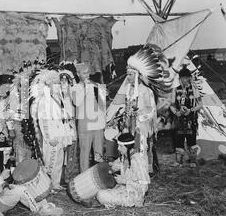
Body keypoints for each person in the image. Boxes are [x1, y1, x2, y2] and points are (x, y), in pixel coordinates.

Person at [119, 45, 172, 175]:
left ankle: (142, 175)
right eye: (128, 75)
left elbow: (151, 110)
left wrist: (139, 115)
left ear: (137, 75)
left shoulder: (146, 91)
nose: (129, 77)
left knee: (141, 149)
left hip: (141, 127)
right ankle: (130, 173)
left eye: (131, 75)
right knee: (129, 148)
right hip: (129, 126)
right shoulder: (129, 90)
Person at [0, 154, 64, 216]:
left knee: (20, 187)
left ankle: (44, 206)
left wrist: (7, 186)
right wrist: (1, 178)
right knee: (21, 190)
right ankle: (38, 212)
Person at [30, 69, 69, 191]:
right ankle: (47, 186)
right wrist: (49, 137)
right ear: (49, 85)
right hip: (51, 136)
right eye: (55, 83)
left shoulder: (58, 98)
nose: (58, 86)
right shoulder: (44, 100)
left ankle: (56, 183)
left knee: (59, 160)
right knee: (50, 161)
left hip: (59, 134)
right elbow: (44, 122)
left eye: (59, 83)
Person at [97, 132, 150, 208]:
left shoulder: (137, 160)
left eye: (121, 146)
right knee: (100, 192)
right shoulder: (124, 157)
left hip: (134, 195)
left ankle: (130, 203)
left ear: (127, 147)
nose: (118, 148)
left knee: (101, 195)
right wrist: (101, 160)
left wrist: (124, 181)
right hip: (123, 189)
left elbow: (144, 187)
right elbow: (112, 166)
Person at [72, 63, 107, 172]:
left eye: (88, 73)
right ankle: (84, 179)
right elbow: (77, 102)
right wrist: (85, 88)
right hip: (85, 127)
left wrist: (102, 93)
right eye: (84, 73)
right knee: (84, 155)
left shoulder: (95, 85)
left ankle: (99, 177)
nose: (87, 75)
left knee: (99, 154)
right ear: (78, 74)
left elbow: (102, 104)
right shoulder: (75, 88)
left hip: (97, 125)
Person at [169, 64, 203, 167]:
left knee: (191, 140)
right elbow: (171, 105)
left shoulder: (194, 89)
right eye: (181, 78)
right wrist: (176, 112)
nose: (183, 80)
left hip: (191, 119)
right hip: (179, 120)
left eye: (185, 77)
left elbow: (200, 105)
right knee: (178, 139)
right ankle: (178, 161)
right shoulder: (176, 90)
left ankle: (192, 161)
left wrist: (191, 110)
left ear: (189, 78)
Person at [59, 64, 79, 185]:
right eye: (62, 82)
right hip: (60, 125)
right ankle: (59, 175)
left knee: (71, 150)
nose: (64, 84)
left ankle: (68, 176)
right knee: (61, 150)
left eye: (66, 81)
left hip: (71, 124)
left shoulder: (73, 95)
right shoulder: (55, 96)